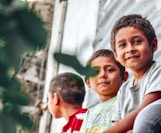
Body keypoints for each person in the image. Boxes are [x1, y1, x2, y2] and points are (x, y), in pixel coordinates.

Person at [103, 14, 161, 133]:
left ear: (153, 45)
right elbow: (118, 125)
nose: (130, 49)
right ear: (116, 55)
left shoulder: (157, 71)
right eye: (122, 45)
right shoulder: (123, 90)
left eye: (137, 41)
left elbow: (148, 111)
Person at [80, 49, 128, 133]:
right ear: (88, 81)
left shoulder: (127, 101)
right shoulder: (89, 113)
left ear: (124, 77)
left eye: (110, 70)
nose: (102, 75)